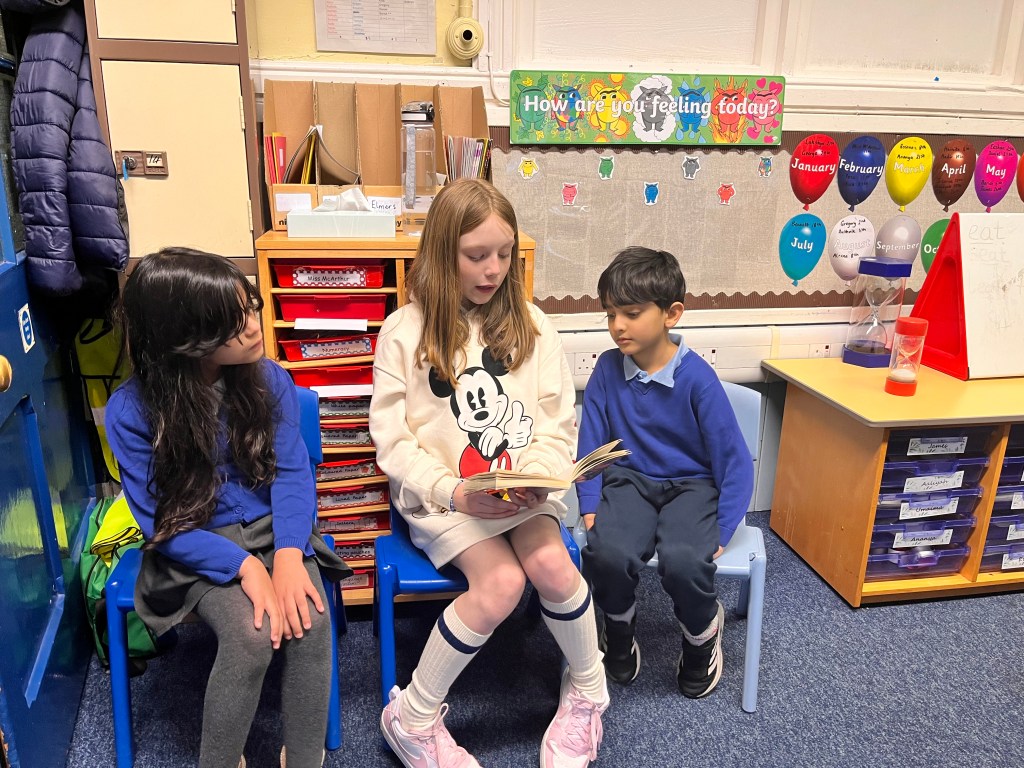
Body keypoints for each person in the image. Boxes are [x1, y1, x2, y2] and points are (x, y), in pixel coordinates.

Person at [369, 178, 609, 768]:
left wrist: (539, 475)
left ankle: (588, 694)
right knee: (501, 584)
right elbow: (392, 443)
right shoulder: (404, 331)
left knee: (552, 565)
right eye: (477, 255)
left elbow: (555, 425)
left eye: (504, 253)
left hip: (521, 492)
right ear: (441, 253)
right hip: (447, 497)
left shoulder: (533, 324)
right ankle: (412, 718)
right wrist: (453, 492)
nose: (494, 269)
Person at [106, 248, 350, 768]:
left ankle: (304, 759)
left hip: (274, 529)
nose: (254, 326)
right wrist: (243, 567)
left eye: (251, 308)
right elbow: (160, 523)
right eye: (232, 321)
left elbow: (292, 474)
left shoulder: (269, 379)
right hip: (193, 543)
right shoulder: (131, 410)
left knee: (310, 618)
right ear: (183, 336)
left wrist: (288, 554)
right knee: (250, 634)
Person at [577, 247, 753, 698]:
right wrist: (590, 504)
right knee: (607, 554)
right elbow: (591, 445)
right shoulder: (606, 369)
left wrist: (724, 526)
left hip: (692, 487)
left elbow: (734, 460)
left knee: (684, 560)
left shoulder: (698, 379)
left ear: (671, 314)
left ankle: (701, 636)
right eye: (610, 314)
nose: (618, 325)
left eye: (632, 313)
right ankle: (618, 629)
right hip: (628, 481)